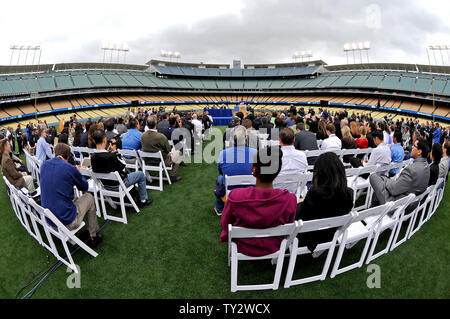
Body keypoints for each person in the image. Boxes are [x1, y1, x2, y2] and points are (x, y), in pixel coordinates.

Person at [220, 146, 297, 257]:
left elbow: (225, 224)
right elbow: (288, 226)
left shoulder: (235, 197)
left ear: (254, 170)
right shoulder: (290, 199)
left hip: (242, 245)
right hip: (274, 245)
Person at [40, 143, 102, 247]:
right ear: (68, 157)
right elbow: (84, 186)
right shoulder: (68, 168)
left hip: (50, 219)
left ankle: (85, 229)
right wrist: (77, 172)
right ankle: (93, 235)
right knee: (89, 197)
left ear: (55, 153)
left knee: (76, 198)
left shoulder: (44, 165)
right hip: (65, 221)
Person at [295, 152, 354, 252]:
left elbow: (302, 216)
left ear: (320, 172)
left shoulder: (316, 193)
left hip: (310, 237)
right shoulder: (348, 193)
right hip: (331, 234)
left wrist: (300, 203)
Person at [90, 129, 152, 208]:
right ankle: (143, 200)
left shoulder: (92, 157)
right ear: (105, 139)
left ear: (94, 141)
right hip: (119, 184)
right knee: (141, 175)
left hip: (105, 186)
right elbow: (123, 165)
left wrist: (109, 153)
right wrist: (115, 152)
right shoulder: (111, 156)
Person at [370, 138, 430, 206]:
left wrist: (385, 179)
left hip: (396, 205)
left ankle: (373, 208)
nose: (412, 147)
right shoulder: (427, 166)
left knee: (373, 176)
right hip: (409, 201)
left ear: (419, 152)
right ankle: (373, 207)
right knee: (380, 186)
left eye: (414, 145)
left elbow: (393, 190)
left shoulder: (411, 170)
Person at [214, 125, 257, 216]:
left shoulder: (223, 153)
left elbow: (220, 171)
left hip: (231, 189)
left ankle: (219, 207)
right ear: (246, 139)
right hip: (251, 188)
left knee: (220, 179)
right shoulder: (255, 153)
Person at [141, 116, 182, 183]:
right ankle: (173, 176)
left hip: (148, 161)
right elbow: (168, 150)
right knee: (178, 153)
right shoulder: (160, 136)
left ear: (147, 125)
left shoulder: (142, 135)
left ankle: (160, 173)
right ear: (156, 124)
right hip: (160, 161)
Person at [277, 128, 308, 194]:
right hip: (295, 192)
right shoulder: (302, 155)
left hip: (277, 193)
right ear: (294, 139)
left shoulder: (273, 156)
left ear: (279, 140)